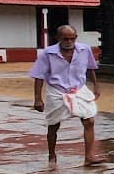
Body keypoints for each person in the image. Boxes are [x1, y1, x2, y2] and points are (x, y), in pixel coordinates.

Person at [30, 25, 108, 166]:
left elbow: (91, 69)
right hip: (57, 91)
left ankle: (89, 156)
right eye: (65, 39)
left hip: (79, 89)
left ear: (76, 38)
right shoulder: (47, 54)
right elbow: (39, 76)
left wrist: (96, 86)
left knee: (89, 120)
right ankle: (52, 154)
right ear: (58, 38)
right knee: (53, 125)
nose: (69, 42)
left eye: (72, 38)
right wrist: (37, 99)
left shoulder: (84, 50)